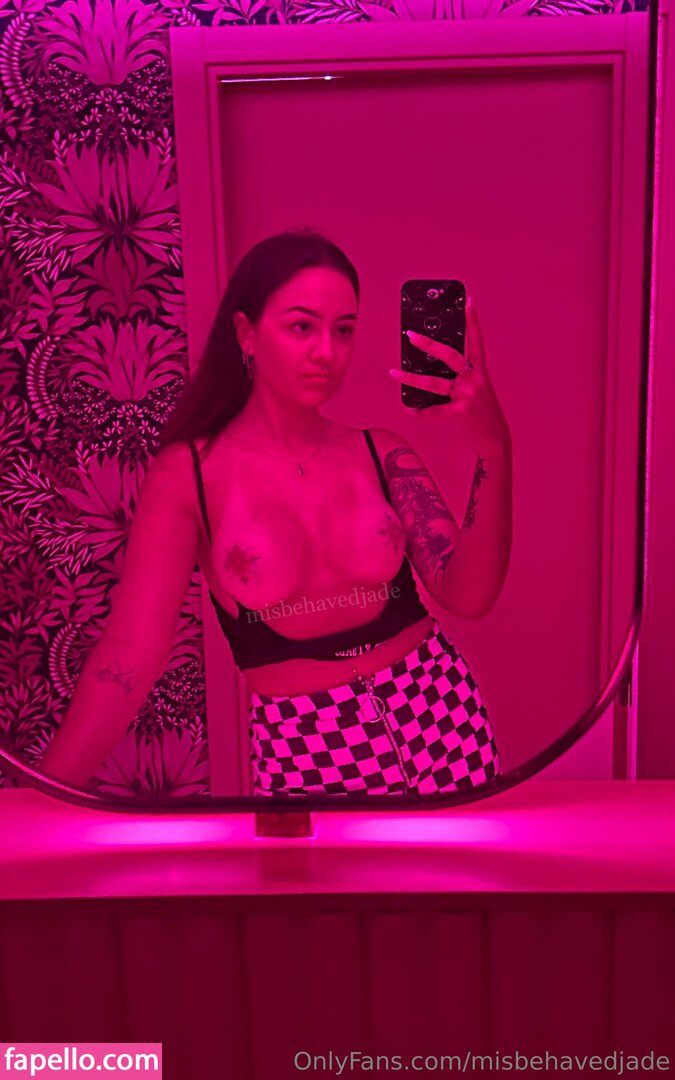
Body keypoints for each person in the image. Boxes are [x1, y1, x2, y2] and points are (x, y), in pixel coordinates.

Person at [41, 226, 512, 797]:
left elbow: (470, 595)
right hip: (307, 750)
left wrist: (493, 448)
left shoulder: (382, 452)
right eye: (301, 327)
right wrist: (49, 796)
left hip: (444, 719)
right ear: (247, 333)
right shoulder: (189, 474)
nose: (326, 352)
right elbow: (131, 655)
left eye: (344, 330)